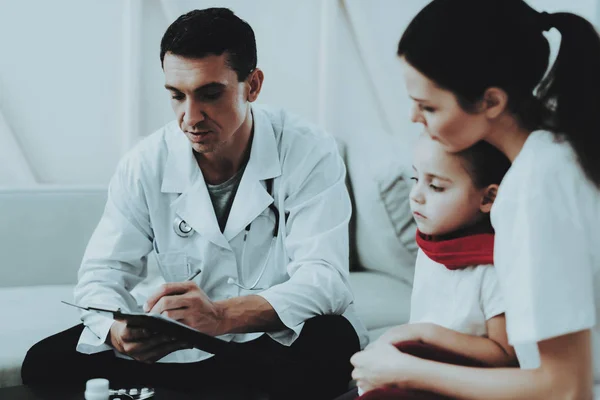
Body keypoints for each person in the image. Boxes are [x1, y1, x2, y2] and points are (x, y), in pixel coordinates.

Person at [21, 8, 367, 399]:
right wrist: (117, 333)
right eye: (176, 96)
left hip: (271, 337)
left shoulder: (309, 150)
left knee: (331, 342)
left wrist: (221, 316)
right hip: (182, 343)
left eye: (209, 94)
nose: (190, 117)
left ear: (252, 85)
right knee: (43, 363)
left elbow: (326, 280)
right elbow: (103, 273)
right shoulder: (145, 162)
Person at [350, 0, 600, 398]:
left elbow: (566, 387)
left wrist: (403, 371)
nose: (414, 118)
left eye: (428, 106)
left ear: (491, 102)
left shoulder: (536, 185)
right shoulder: (559, 151)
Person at [348, 134, 515, 400]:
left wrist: (424, 334)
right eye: (416, 180)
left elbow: (504, 355)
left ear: (488, 198)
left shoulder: (494, 265)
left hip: (464, 384)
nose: (416, 196)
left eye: (436, 186)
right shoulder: (432, 246)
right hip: (420, 370)